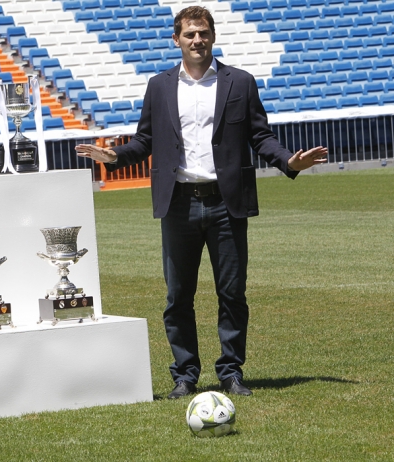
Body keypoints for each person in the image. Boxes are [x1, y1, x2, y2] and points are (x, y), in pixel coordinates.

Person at [76, 6, 328, 398]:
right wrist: (116, 156)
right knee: (178, 296)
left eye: (204, 33)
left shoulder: (240, 83)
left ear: (213, 36)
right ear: (176, 39)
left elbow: (260, 137)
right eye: (190, 34)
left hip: (227, 204)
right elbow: (145, 141)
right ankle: (185, 375)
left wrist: (288, 161)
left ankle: (231, 372)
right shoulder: (159, 86)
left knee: (232, 293)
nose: (197, 40)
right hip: (178, 203)